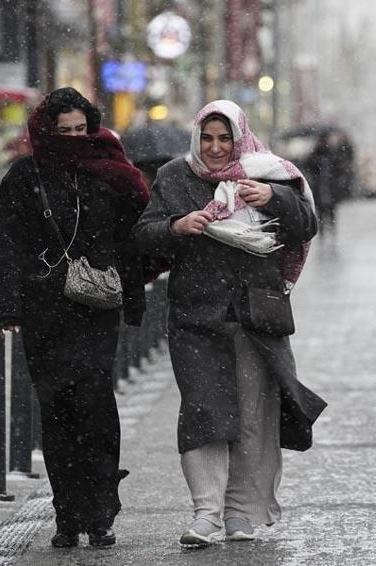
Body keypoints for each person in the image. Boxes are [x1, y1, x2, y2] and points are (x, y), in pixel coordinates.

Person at [133, 100, 326, 547]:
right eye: (207, 138)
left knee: (253, 417)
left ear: (240, 138)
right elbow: (144, 235)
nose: (216, 148)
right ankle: (205, 514)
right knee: (203, 411)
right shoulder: (174, 176)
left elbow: (307, 225)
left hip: (257, 315)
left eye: (225, 138)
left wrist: (274, 198)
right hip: (196, 316)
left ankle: (241, 511)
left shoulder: (270, 173)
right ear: (196, 138)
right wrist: (177, 226)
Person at [0, 87, 149, 549]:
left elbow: (129, 238)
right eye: (65, 131)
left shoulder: (109, 171)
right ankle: (67, 514)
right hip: (44, 310)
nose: (75, 138)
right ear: (47, 130)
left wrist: (134, 296)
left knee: (95, 406)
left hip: (96, 308)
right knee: (57, 410)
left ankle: (100, 510)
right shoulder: (25, 176)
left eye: (82, 129)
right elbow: (6, 244)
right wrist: (7, 307)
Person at [303, 128, 355, 235]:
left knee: (327, 208)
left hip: (327, 185)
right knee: (326, 208)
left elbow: (340, 168)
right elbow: (308, 166)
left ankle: (327, 228)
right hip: (323, 185)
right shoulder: (322, 153)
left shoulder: (329, 153)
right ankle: (327, 228)